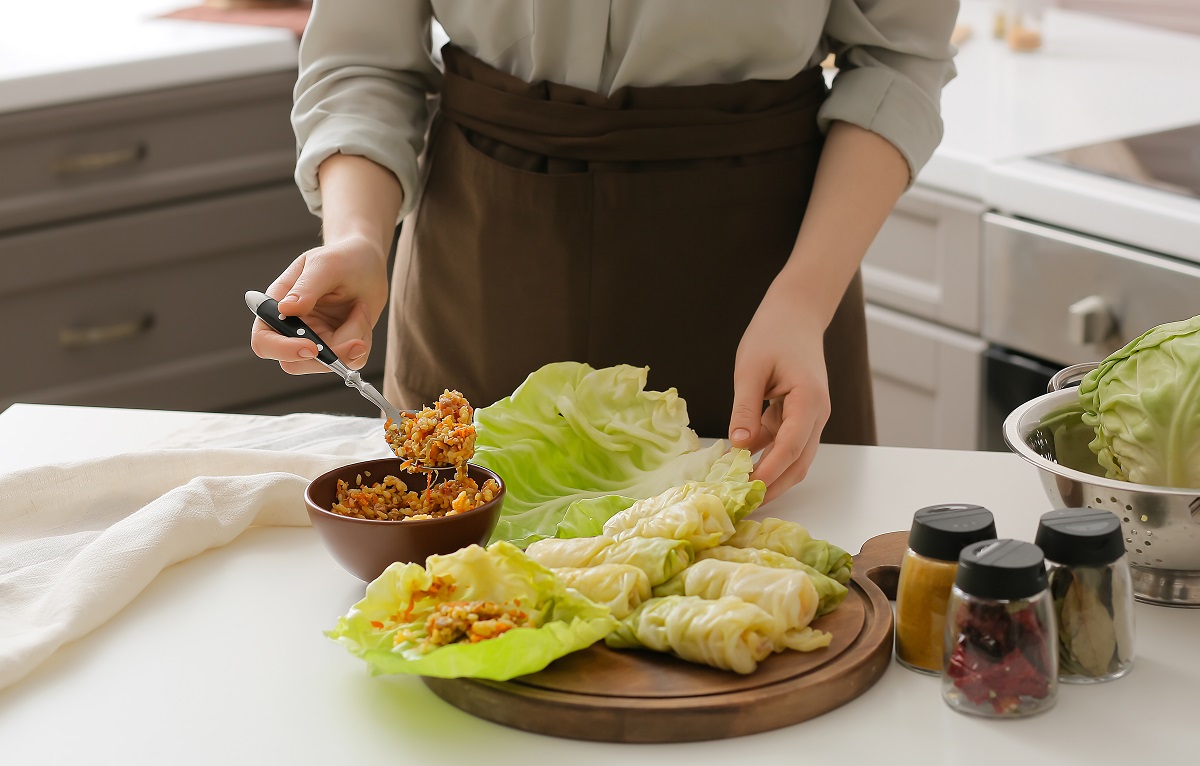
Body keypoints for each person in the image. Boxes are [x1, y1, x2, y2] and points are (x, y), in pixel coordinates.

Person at [250, 1, 959, 503]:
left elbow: (898, 59)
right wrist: (357, 237)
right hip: (483, 266)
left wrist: (805, 299)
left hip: (759, 278)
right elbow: (361, 60)